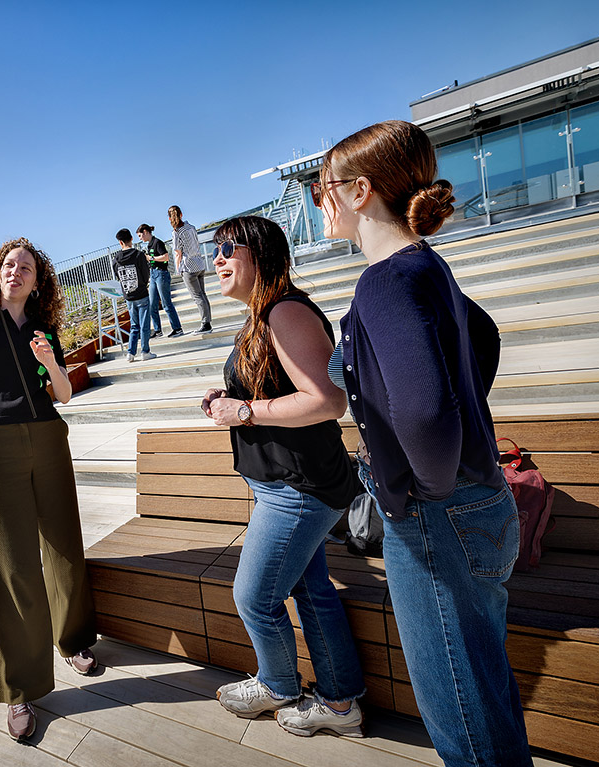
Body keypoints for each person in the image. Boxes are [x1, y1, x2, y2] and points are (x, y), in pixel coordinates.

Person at [316, 120, 531, 767]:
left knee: (464, 721)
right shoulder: (424, 265)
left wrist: (420, 494)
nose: (316, 201)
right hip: (479, 505)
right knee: (484, 696)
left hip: (439, 517)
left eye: (322, 187)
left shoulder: (382, 280)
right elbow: (484, 338)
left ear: (358, 191)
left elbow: (425, 408)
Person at [200, 215, 366, 737]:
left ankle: (277, 684)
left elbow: (327, 400)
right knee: (311, 588)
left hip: (298, 491)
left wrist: (245, 413)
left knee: (254, 597)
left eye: (229, 248)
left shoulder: (284, 311)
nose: (217, 258)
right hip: (289, 485)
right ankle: (340, 706)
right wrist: (229, 401)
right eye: (215, 249)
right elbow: (279, 389)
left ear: (262, 255)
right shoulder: (264, 315)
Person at [0, 217, 99, 743]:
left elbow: (64, 395)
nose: (16, 272)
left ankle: (72, 639)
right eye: (8, 265)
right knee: (10, 565)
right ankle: (19, 689)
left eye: (26, 268)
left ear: (38, 282)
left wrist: (51, 360)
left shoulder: (41, 330)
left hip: (47, 437)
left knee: (63, 547)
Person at [112, 228, 157, 362]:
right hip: (141, 293)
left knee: (134, 325)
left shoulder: (115, 260)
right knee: (144, 325)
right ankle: (145, 351)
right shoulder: (138, 255)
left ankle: (130, 353)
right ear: (131, 239)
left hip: (128, 296)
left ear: (120, 242)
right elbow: (146, 274)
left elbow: (118, 276)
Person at [168, 205, 212, 334]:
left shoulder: (176, 232)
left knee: (197, 296)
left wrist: (178, 269)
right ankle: (207, 322)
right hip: (199, 264)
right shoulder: (191, 228)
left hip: (188, 266)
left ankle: (206, 324)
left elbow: (178, 253)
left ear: (170, 218)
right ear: (181, 214)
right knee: (202, 294)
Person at [136, 223, 183, 338]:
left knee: (166, 303)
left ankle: (177, 328)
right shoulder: (149, 245)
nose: (140, 238)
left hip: (161, 273)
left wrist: (150, 258)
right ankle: (157, 330)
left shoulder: (158, 242)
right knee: (152, 304)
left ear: (146, 232)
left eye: (140, 235)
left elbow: (165, 257)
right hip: (153, 274)